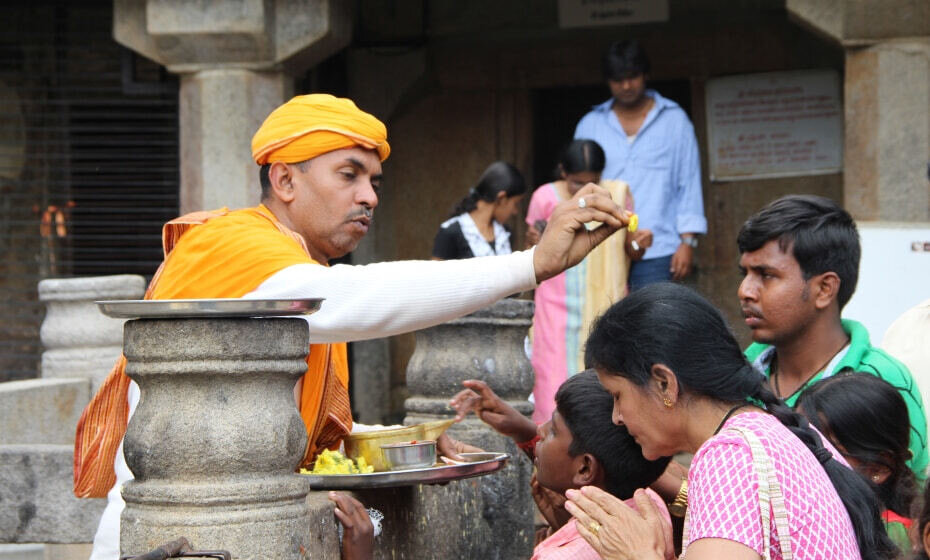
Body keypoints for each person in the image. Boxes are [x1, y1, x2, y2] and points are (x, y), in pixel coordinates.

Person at [75, 93, 633, 560]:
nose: (368, 196)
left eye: (374, 182)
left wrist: (415, 443)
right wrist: (529, 265)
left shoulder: (300, 263)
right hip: (178, 534)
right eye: (349, 175)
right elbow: (361, 295)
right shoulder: (232, 244)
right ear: (285, 179)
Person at [565, 283, 897, 560]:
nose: (616, 417)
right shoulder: (769, 433)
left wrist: (635, 555)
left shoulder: (730, 456)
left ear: (664, 384)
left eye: (617, 396)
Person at [738, 194, 928, 478]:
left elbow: (903, 508)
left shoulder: (884, 381)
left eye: (766, 275)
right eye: (745, 273)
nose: (745, 290)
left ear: (825, 289)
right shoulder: (739, 371)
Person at [451, 372, 673, 560]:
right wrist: (563, 529)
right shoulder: (651, 505)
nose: (540, 430)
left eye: (554, 430)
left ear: (585, 469)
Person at [524, 139, 652, 423]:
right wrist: (535, 240)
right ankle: (551, 445)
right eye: (575, 184)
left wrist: (641, 244)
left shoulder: (617, 194)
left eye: (591, 182)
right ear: (562, 173)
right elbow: (531, 247)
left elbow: (632, 250)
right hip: (553, 304)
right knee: (550, 377)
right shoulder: (544, 197)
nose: (583, 190)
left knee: (602, 375)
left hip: (603, 303)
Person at [574, 39, 706, 291]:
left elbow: (688, 182)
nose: (626, 85)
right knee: (604, 324)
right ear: (607, 80)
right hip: (603, 246)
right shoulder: (589, 124)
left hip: (659, 248)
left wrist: (688, 242)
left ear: (646, 74)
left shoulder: (675, 121)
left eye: (633, 77)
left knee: (652, 323)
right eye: (617, 79)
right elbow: (577, 187)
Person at [796, 371, 918, 553]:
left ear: (878, 468)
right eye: (797, 443)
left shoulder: (901, 542)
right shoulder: (799, 516)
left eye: (821, 450)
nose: (802, 457)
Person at [432, 161, 526, 260]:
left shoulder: (504, 233)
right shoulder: (450, 232)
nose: (515, 211)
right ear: (502, 198)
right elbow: (436, 273)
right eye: (515, 203)